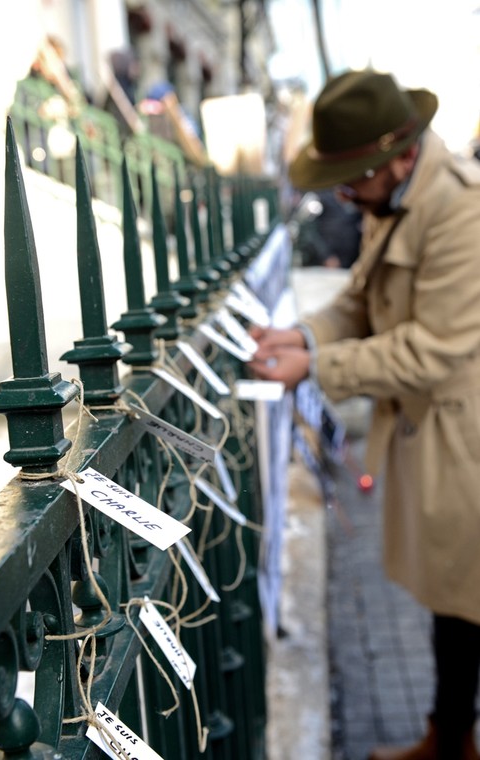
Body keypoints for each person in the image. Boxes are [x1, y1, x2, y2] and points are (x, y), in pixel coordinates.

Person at [249, 69, 480, 760]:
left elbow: (430, 350)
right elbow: (356, 299)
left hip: (460, 435)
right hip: (428, 430)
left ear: (398, 157)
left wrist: (316, 366)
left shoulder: (458, 212)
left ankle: (451, 740)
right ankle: (449, 738)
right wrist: (303, 337)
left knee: (464, 597)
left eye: (351, 179)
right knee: (451, 602)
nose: (343, 195)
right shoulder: (398, 199)